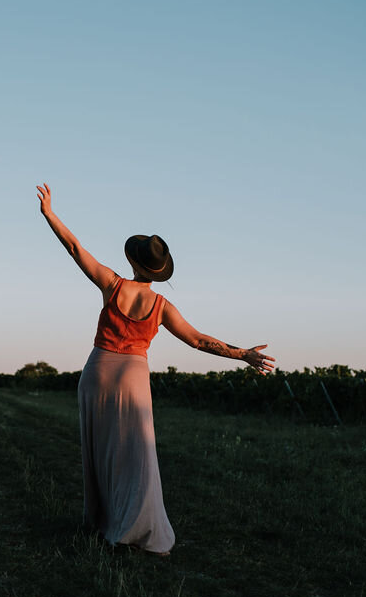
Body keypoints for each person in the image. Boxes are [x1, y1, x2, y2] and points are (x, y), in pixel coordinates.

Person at [36, 184, 275, 555]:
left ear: (134, 262)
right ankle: (133, 528)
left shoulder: (112, 284)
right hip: (132, 379)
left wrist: (50, 213)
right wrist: (242, 353)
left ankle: (101, 522)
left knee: (101, 452)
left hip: (97, 372)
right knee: (137, 456)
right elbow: (198, 340)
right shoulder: (161, 305)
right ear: (158, 271)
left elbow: (74, 249)